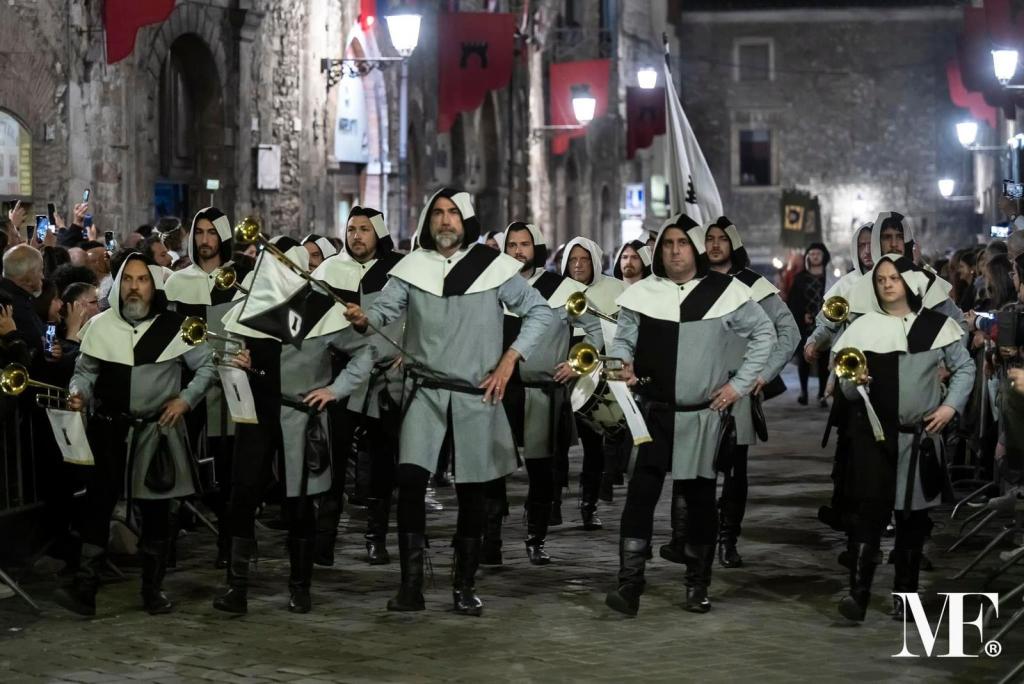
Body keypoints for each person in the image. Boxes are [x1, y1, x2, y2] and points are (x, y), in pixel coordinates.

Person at [344, 187, 554, 616]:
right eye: (438, 212)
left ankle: (464, 585)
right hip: (424, 390)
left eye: (453, 213)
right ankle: (411, 586)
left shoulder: (493, 267)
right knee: (409, 482)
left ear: (466, 221)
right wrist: (365, 319)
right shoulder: (412, 267)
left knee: (473, 492)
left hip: (477, 394)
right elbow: (385, 312)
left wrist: (510, 359)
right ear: (428, 219)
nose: (444, 220)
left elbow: (540, 312)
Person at [603, 213, 776, 616]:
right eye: (668, 243)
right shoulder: (642, 293)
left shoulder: (723, 290)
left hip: (702, 416)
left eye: (682, 243)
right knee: (640, 497)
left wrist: (739, 384)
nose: (675, 250)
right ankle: (629, 584)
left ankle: (697, 584)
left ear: (694, 249)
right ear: (659, 250)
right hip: (653, 412)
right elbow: (623, 342)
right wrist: (621, 366)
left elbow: (765, 334)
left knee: (699, 500)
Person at [213, 239, 377, 615]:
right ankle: (237, 589)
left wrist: (335, 390)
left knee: (300, 503)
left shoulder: (323, 311)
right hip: (256, 415)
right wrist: (234, 361)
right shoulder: (249, 307)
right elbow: (227, 353)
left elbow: (367, 351)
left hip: (300, 417)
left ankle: (300, 586)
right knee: (242, 497)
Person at [57, 253, 218, 616]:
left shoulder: (176, 326)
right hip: (110, 429)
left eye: (142, 279)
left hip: (155, 431)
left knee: (157, 511)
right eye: (127, 279)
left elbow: (208, 366)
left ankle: (152, 589)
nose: (134, 286)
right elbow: (85, 370)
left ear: (153, 285)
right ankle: (86, 589)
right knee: (97, 507)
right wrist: (78, 392)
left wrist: (186, 400)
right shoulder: (100, 325)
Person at [831, 254, 973, 621]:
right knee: (867, 516)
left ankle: (904, 598)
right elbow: (845, 393)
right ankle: (857, 597)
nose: (887, 284)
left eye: (894, 277)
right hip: (873, 438)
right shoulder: (862, 328)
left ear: (908, 282)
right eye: (881, 279)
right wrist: (853, 384)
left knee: (912, 521)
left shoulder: (936, 326)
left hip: (917, 439)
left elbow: (964, 368)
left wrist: (950, 408)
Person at [668, 216, 800, 569]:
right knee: (687, 466)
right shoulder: (687, 285)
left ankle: (728, 539)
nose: (714, 244)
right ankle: (685, 537)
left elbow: (788, 332)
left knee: (734, 470)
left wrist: (762, 373)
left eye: (721, 239)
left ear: (733, 245)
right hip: (694, 390)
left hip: (736, 390)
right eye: (708, 238)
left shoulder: (753, 287)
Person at [484, 221, 602, 565]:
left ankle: (535, 538)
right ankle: (491, 539)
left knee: (542, 469)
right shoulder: (491, 287)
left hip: (542, 392)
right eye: (512, 245)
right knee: (492, 467)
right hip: (499, 390)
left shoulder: (562, 288)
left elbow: (594, 329)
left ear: (537, 248)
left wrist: (575, 365)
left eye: (524, 244)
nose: (518, 251)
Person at [312, 206, 405, 566]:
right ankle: (325, 540)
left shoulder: (399, 270)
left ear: (377, 233)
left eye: (364, 229)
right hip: (340, 373)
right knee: (333, 457)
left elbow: (417, 314)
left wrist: (405, 349)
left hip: (384, 377)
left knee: (382, 459)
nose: (357, 236)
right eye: (351, 229)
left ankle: (375, 537)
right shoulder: (329, 270)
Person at [164, 207, 249, 567]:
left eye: (211, 233)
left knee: (230, 468)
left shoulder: (241, 278)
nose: (204, 240)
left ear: (223, 238)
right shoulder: (178, 282)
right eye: (198, 232)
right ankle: (164, 545)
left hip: (232, 382)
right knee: (181, 462)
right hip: (190, 383)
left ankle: (230, 542)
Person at [559, 236, 625, 528]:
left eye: (584, 260)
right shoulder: (556, 290)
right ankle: (550, 502)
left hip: (596, 373)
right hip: (560, 370)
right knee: (555, 442)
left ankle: (589, 503)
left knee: (593, 443)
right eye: (573, 260)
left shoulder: (614, 289)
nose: (578, 265)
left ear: (595, 262)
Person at [788, 242, 832, 406]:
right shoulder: (800, 278)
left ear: (823, 256)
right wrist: (802, 315)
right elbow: (793, 301)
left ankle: (822, 394)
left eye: (818, 254)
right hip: (805, 323)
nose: (814, 256)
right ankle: (804, 392)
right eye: (812, 254)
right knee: (804, 359)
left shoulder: (830, 278)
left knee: (824, 360)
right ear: (808, 257)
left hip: (826, 322)